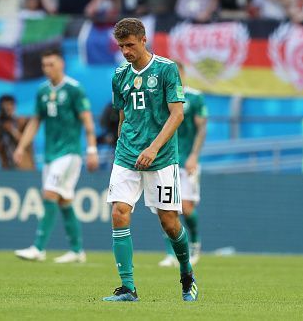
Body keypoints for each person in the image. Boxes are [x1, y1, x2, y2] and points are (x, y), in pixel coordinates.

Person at [103, 18, 198, 302]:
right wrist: (121, 145)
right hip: (127, 155)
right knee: (119, 212)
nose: (126, 51)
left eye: (130, 45)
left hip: (161, 157)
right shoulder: (119, 74)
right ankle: (128, 288)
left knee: (169, 222)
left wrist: (154, 148)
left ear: (143, 40)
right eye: (121, 46)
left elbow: (177, 115)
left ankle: (187, 273)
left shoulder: (167, 70)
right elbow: (123, 115)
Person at [13, 48, 99, 263]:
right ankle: (78, 251)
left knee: (49, 193)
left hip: (69, 153)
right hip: (51, 154)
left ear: (61, 64)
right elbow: (35, 121)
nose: (47, 69)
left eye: (51, 64)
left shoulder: (73, 89)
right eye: (44, 65)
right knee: (64, 200)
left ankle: (38, 248)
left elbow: (87, 120)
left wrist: (91, 149)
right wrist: (21, 147)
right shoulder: (42, 91)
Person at [159, 61, 208, 268]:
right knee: (167, 208)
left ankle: (196, 243)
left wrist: (194, 155)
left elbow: (202, 128)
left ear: (183, 74)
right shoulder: (161, 97)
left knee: (186, 208)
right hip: (167, 159)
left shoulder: (195, 97)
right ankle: (171, 253)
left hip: (187, 159)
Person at [0, 94, 34, 170]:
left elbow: (27, 142)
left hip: (25, 168)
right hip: (7, 168)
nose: (7, 110)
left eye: (9, 106)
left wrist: (12, 130)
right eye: (4, 108)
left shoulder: (22, 122)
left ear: (14, 107)